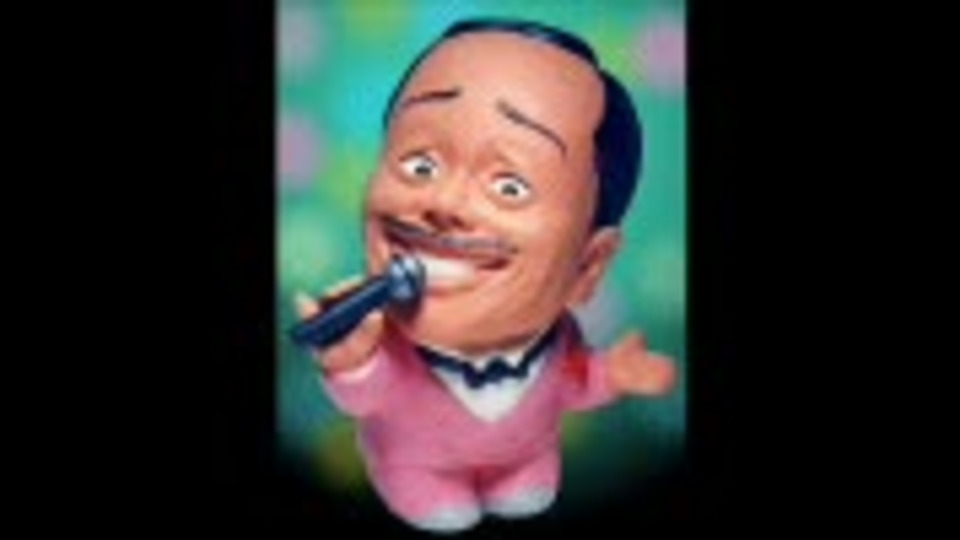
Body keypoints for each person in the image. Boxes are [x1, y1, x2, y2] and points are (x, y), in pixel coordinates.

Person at [294, 17, 676, 533]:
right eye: (421, 166)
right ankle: (421, 482)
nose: (447, 203)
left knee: (530, 489)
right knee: (434, 502)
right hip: (415, 462)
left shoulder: (562, 341)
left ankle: (516, 475)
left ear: (588, 265)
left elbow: (572, 384)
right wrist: (352, 363)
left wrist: (613, 375)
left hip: (526, 455)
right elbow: (365, 398)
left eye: (510, 187)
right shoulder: (388, 341)